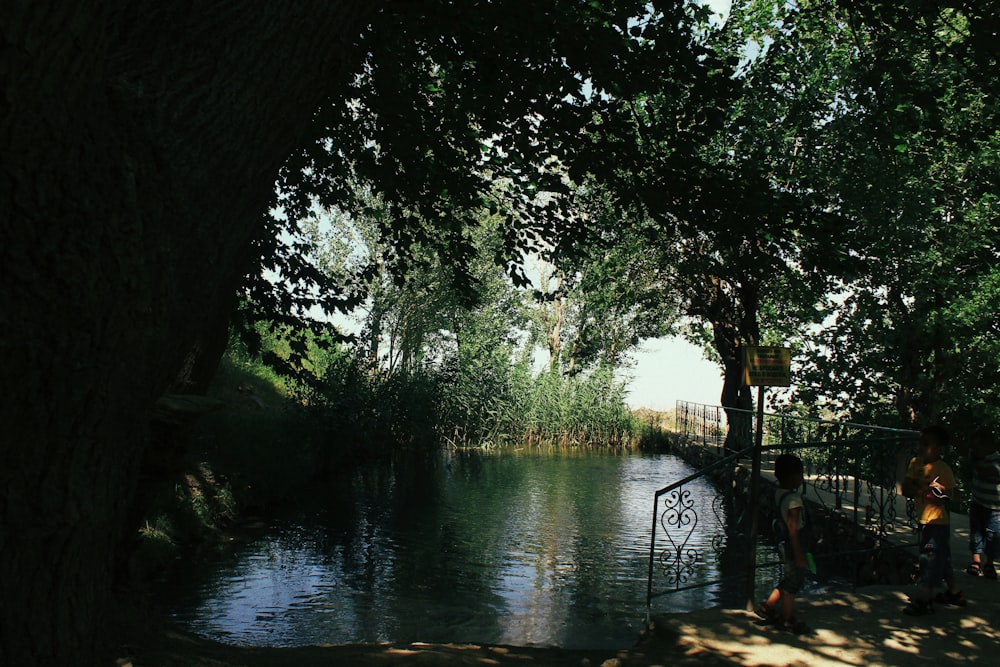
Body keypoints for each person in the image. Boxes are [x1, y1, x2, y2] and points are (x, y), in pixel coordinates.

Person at [900, 425, 965, 615]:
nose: (921, 447)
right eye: (921, 442)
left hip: (937, 523)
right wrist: (921, 491)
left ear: (939, 449)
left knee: (929, 558)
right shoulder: (916, 463)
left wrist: (938, 494)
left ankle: (925, 598)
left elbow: (954, 495)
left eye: (927, 444)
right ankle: (955, 592)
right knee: (941, 557)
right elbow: (905, 487)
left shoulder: (942, 469)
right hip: (925, 520)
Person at [755, 453, 810, 633]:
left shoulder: (780, 493)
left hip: (782, 543)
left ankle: (768, 605)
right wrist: (799, 554)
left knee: (788, 578)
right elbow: (793, 528)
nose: (802, 477)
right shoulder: (793, 500)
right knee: (793, 582)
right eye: (800, 474)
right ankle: (786, 619)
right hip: (793, 544)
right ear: (793, 476)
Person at [966, 430, 1000, 579]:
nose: (974, 450)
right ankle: (976, 560)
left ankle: (989, 563)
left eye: (977, 447)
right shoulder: (976, 458)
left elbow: (986, 472)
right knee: (976, 532)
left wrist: (974, 461)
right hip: (978, 502)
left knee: (993, 536)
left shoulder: (996, 461)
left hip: (996, 508)